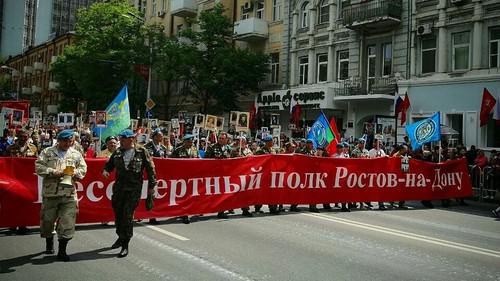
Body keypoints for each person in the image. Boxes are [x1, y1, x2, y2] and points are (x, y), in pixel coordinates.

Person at [102, 129, 157, 258]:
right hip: (119, 189)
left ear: (131, 139)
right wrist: (106, 171)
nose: (120, 142)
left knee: (127, 216)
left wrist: (151, 187)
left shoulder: (142, 151)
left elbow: (150, 169)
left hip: (133, 189)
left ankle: (125, 244)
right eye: (120, 139)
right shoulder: (118, 152)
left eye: (123, 139)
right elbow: (109, 165)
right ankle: (120, 236)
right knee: (118, 215)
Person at [35, 129, 87, 261]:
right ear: (59, 141)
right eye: (65, 141)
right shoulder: (47, 152)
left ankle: (62, 250)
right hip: (51, 193)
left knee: (67, 221)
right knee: (47, 222)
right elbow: (38, 167)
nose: (68, 144)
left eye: (70, 141)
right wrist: (53, 171)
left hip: (69, 194)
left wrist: (75, 173)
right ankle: (49, 242)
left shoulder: (76, 154)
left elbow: (83, 168)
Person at [7, 129, 39, 234]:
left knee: (25, 203)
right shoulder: (10, 148)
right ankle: (12, 224)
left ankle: (22, 224)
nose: (23, 138)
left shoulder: (33, 148)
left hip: (27, 181)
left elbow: (37, 163)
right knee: (13, 203)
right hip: (13, 180)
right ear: (17, 137)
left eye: (25, 136)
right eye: (21, 136)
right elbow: (5, 163)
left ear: (28, 137)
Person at [144, 129, 168, 224]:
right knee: (149, 194)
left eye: (162, 136)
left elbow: (166, 160)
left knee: (157, 194)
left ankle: (154, 215)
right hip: (149, 174)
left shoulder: (163, 148)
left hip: (160, 174)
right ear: (154, 137)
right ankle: (149, 214)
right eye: (159, 136)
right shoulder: (146, 147)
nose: (161, 138)